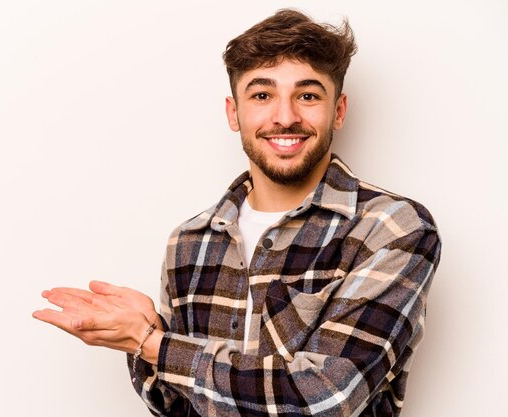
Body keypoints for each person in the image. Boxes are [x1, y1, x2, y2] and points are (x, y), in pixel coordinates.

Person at [33, 9, 441, 417]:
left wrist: (153, 344)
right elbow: (176, 406)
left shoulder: (391, 229)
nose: (285, 116)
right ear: (234, 113)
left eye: (308, 95)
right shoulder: (190, 241)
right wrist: (144, 337)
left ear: (338, 110)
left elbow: (326, 398)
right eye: (262, 95)